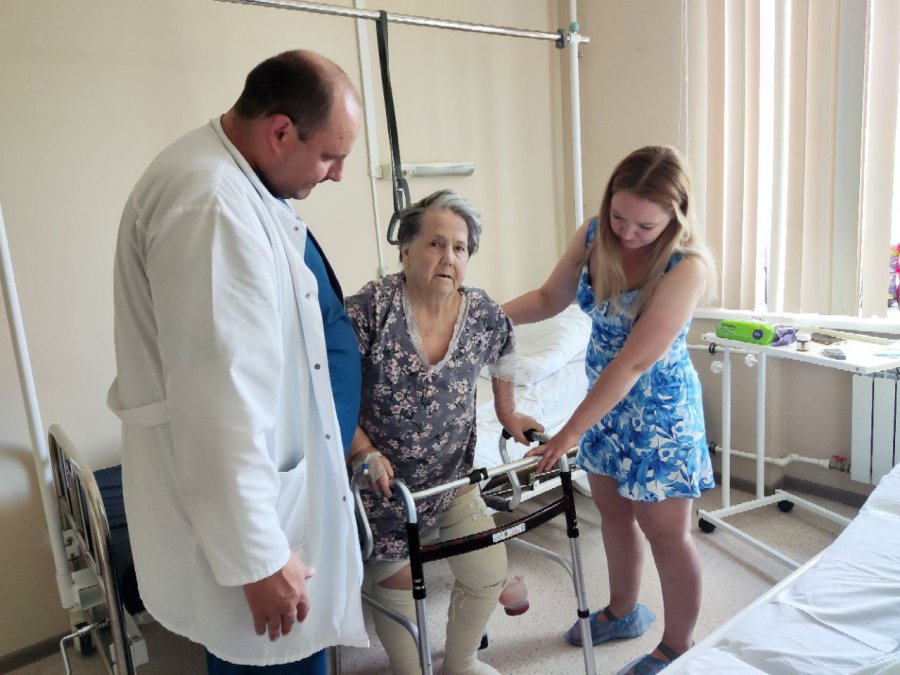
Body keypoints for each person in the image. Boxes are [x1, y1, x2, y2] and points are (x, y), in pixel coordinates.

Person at [107, 50, 368, 674]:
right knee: (275, 660)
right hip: (253, 535)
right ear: (280, 132)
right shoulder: (213, 206)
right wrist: (260, 558)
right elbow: (217, 402)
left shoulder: (237, 180)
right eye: (329, 155)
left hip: (267, 499)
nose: (337, 175)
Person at [503, 146, 717, 675]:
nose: (627, 233)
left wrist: (569, 431)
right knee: (614, 514)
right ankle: (623, 611)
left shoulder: (687, 267)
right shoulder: (595, 234)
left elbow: (633, 363)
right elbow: (549, 298)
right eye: (620, 217)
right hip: (605, 407)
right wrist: (478, 316)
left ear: (676, 216)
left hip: (661, 415)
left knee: (665, 532)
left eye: (645, 225)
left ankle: (678, 646)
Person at [344, 189, 542, 675]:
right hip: (383, 492)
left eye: (459, 247)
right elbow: (327, 388)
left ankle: (461, 663)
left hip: (451, 482)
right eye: (435, 244)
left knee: (487, 573)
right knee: (397, 592)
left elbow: (506, 350)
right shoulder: (370, 309)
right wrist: (363, 450)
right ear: (405, 251)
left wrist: (508, 413)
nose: (448, 257)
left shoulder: (481, 313)